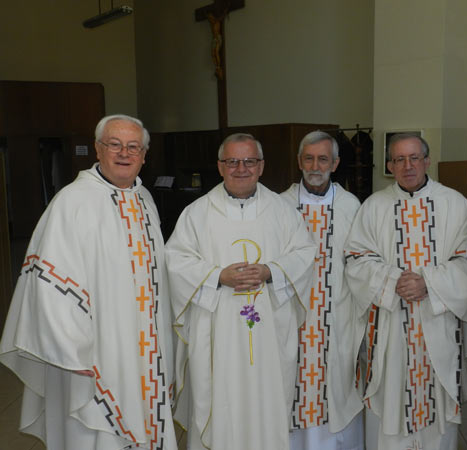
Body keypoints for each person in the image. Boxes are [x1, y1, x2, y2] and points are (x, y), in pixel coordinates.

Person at [0, 115, 177, 449]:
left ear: (144, 156)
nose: (124, 153)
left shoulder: (145, 200)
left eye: (133, 147)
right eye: (114, 144)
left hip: (145, 345)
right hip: (94, 349)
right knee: (95, 433)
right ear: (97, 149)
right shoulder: (72, 202)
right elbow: (50, 281)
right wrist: (71, 348)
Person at [165, 133, 316, 450]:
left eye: (249, 161)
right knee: (219, 396)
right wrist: (217, 276)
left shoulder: (283, 211)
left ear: (261, 166)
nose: (241, 168)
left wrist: (270, 271)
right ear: (220, 167)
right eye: (232, 161)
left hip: (270, 334)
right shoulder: (197, 213)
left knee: (267, 398)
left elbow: (304, 254)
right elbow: (176, 260)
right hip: (216, 328)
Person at [344, 133, 467, 450]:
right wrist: (393, 280)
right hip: (389, 327)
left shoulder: (455, 204)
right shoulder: (373, 206)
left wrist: (428, 283)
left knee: (436, 409)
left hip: (438, 325)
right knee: (389, 399)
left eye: (414, 158)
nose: (407, 166)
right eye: (399, 159)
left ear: (427, 161)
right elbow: (356, 258)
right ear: (389, 166)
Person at [281, 131, 364, 450]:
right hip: (293, 318)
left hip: (338, 318)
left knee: (337, 387)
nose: (315, 166)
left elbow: (361, 262)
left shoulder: (351, 206)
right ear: (299, 161)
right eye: (309, 158)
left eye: (323, 159)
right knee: (293, 386)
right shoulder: (280, 205)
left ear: (335, 164)